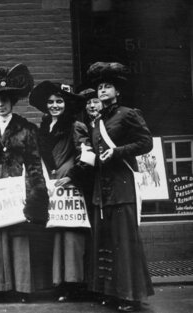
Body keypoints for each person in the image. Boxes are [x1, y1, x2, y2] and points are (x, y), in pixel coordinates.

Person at [0, 64, 49, 302]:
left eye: (5, 100)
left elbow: (34, 164)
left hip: (18, 191)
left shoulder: (26, 129)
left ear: (11, 101)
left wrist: (36, 194)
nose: (0, 105)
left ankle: (21, 288)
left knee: (17, 236)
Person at [86, 62, 154, 312]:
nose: (102, 90)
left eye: (108, 86)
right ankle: (111, 292)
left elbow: (145, 143)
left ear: (118, 91)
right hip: (101, 189)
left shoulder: (128, 114)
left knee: (124, 242)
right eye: (100, 86)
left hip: (122, 185)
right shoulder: (96, 121)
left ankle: (130, 295)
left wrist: (117, 152)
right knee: (106, 241)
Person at [29, 81, 92, 302]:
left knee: (71, 235)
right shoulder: (43, 128)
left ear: (66, 104)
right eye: (50, 102)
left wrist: (71, 176)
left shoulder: (75, 126)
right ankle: (60, 282)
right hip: (52, 185)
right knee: (56, 234)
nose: (54, 105)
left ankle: (74, 284)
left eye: (59, 101)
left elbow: (87, 156)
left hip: (70, 186)